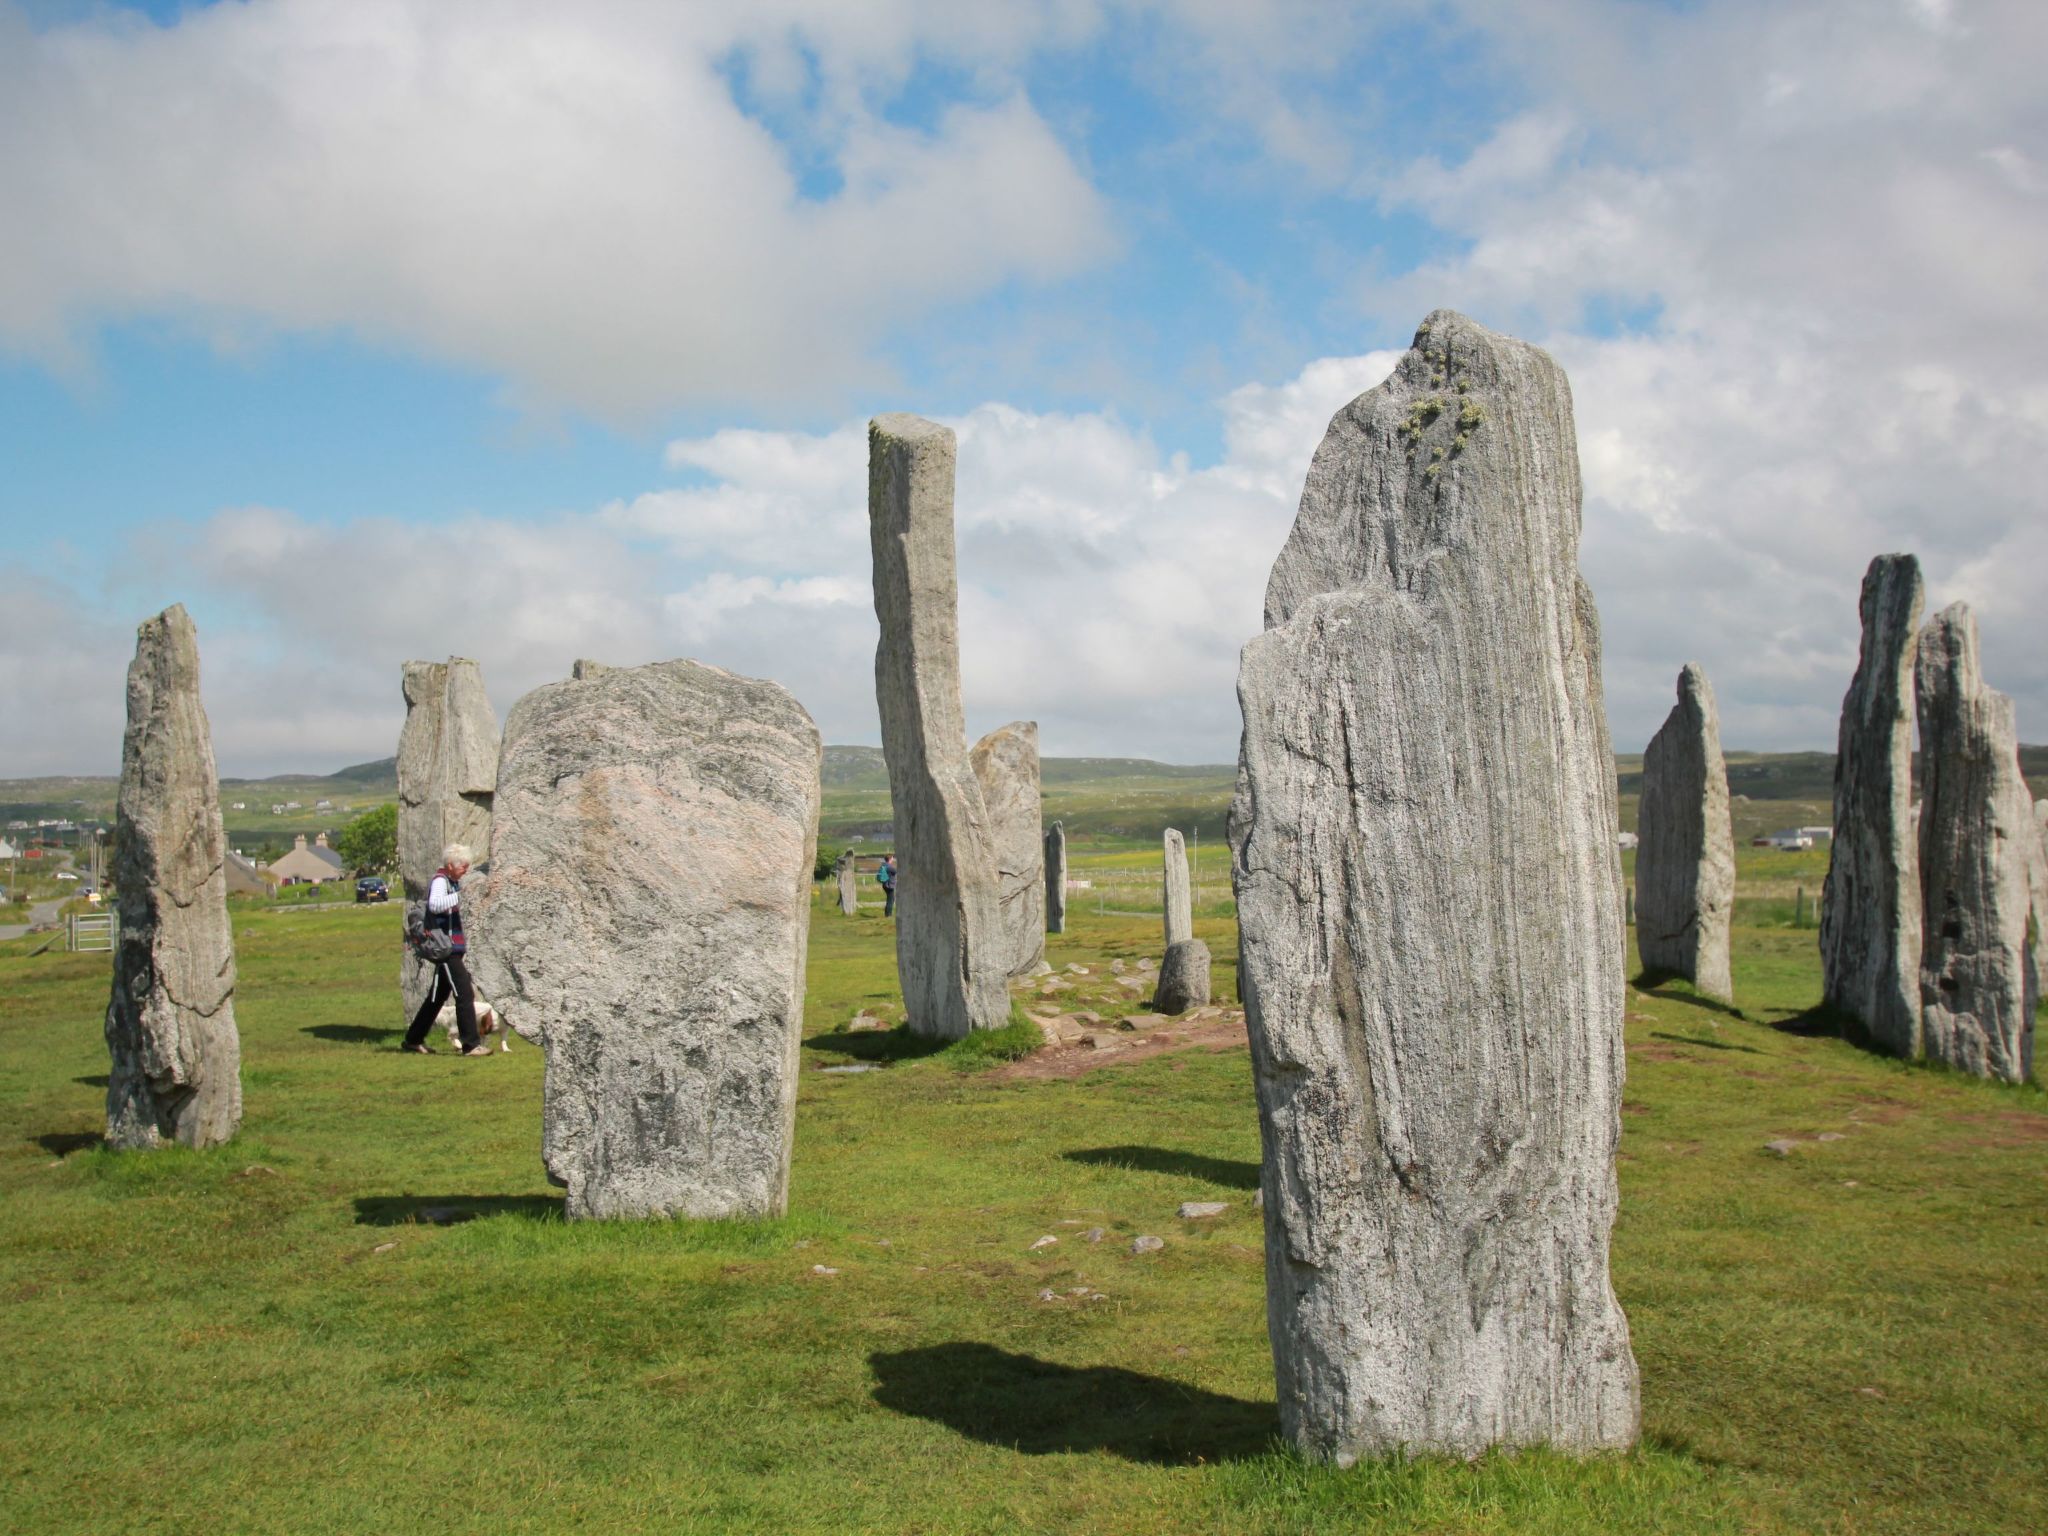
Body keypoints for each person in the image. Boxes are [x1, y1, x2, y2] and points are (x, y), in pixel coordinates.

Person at [403, 843, 489, 1057]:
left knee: (437, 997)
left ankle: (413, 1039)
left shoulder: (453, 882)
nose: (465, 870)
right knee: (464, 993)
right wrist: (462, 896)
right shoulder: (441, 881)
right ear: (450, 865)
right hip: (446, 948)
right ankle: (471, 1045)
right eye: (462, 866)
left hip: (452, 947)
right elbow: (435, 905)